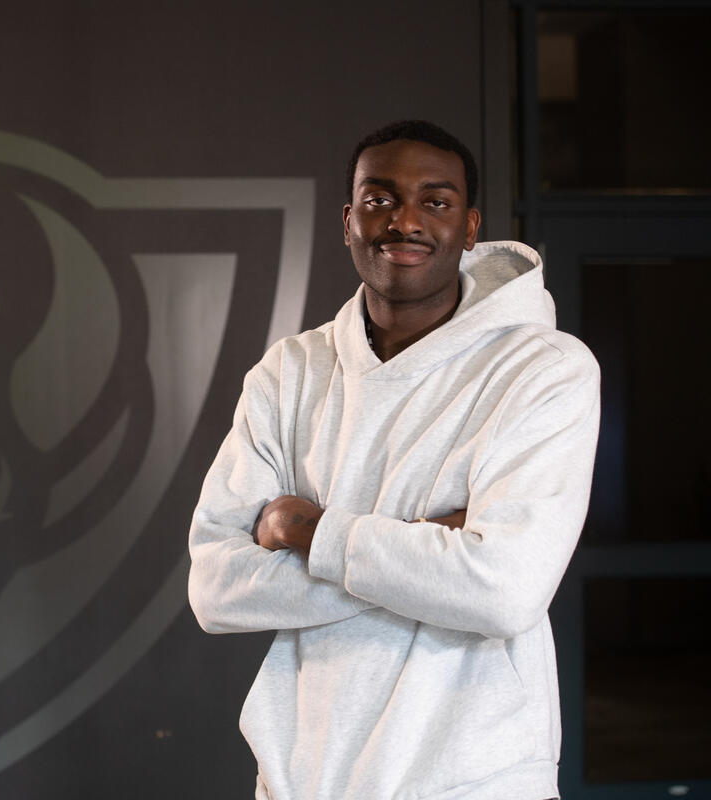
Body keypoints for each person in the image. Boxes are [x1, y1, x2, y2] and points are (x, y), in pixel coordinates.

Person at [188, 119, 599, 800]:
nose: (403, 220)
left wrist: (310, 532)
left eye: (434, 201)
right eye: (379, 200)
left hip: (475, 779)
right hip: (300, 779)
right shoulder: (289, 373)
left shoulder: (544, 370)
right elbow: (216, 589)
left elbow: (503, 592)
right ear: (348, 220)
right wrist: (429, 555)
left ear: (469, 229)